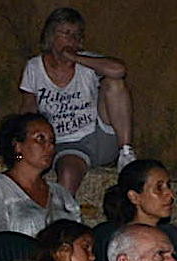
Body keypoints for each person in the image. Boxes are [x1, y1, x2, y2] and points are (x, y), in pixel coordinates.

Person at [17, 6, 136, 193]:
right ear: (50, 36)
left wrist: (76, 58)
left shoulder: (87, 62)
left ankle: (126, 153)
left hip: (98, 136)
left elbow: (119, 70)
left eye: (76, 35)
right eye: (66, 33)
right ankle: (63, 219)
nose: (72, 39)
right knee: (68, 173)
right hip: (64, 142)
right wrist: (22, 150)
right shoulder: (34, 67)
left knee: (114, 83)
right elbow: (28, 107)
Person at [0, 113, 80, 252]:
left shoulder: (61, 193)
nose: (50, 147)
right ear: (18, 146)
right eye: (40, 139)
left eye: (52, 141)